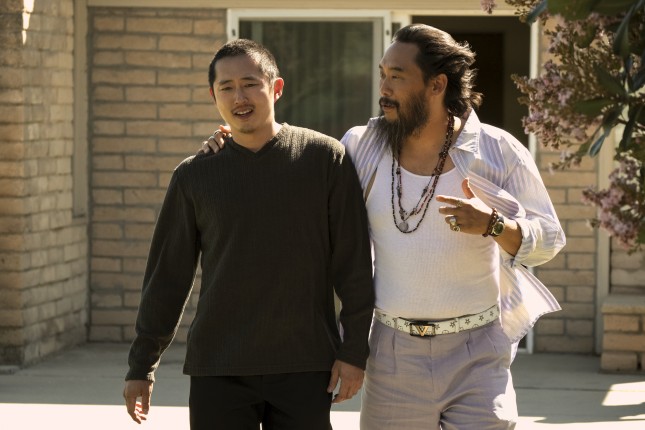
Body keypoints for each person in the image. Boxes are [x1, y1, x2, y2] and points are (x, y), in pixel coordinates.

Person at [202, 24, 565, 430]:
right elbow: (297, 184)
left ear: (436, 85)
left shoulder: (498, 151)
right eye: (382, 74)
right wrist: (233, 146)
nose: (384, 88)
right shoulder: (362, 147)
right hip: (392, 354)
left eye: (397, 76)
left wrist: (494, 225)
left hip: (477, 352)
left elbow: (550, 239)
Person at [123, 39, 374, 430]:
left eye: (250, 84)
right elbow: (167, 278)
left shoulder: (324, 159)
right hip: (219, 367)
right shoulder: (194, 176)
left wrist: (354, 351)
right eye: (226, 87)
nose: (239, 97)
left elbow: (354, 265)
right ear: (214, 96)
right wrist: (142, 365)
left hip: (305, 365)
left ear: (276, 88)